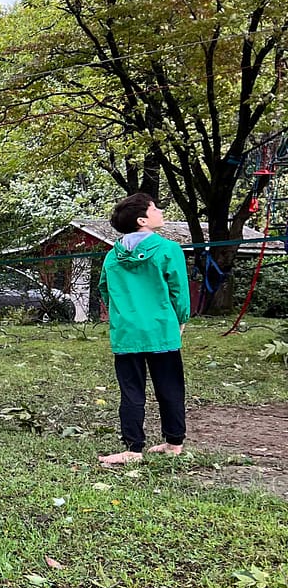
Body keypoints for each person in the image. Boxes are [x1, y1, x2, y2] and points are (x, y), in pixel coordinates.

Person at [96, 193, 190, 466]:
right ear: (142, 220)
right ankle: (174, 443)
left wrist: (123, 313)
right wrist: (180, 321)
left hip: (127, 333)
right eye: (154, 208)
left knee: (131, 391)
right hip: (161, 329)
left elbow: (104, 290)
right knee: (170, 387)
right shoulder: (168, 250)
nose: (160, 211)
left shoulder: (112, 257)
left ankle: (132, 449)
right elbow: (179, 293)